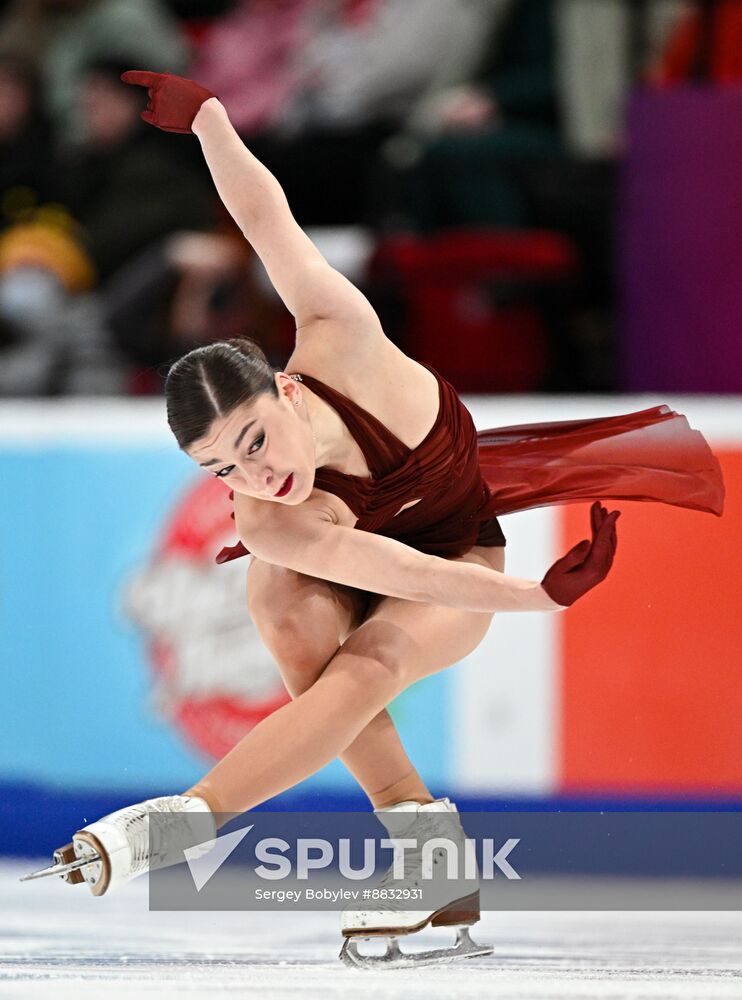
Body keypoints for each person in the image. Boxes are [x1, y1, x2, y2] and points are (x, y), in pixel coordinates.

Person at [24, 72, 724, 968]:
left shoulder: (339, 332)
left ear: (283, 386)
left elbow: (263, 218)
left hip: (452, 550)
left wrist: (208, 120)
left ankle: (196, 828)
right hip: (355, 561)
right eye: (221, 469)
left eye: (253, 440)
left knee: (372, 663)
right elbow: (366, 568)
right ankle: (428, 871)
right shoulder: (269, 517)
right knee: (281, 610)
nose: (255, 475)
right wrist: (538, 600)